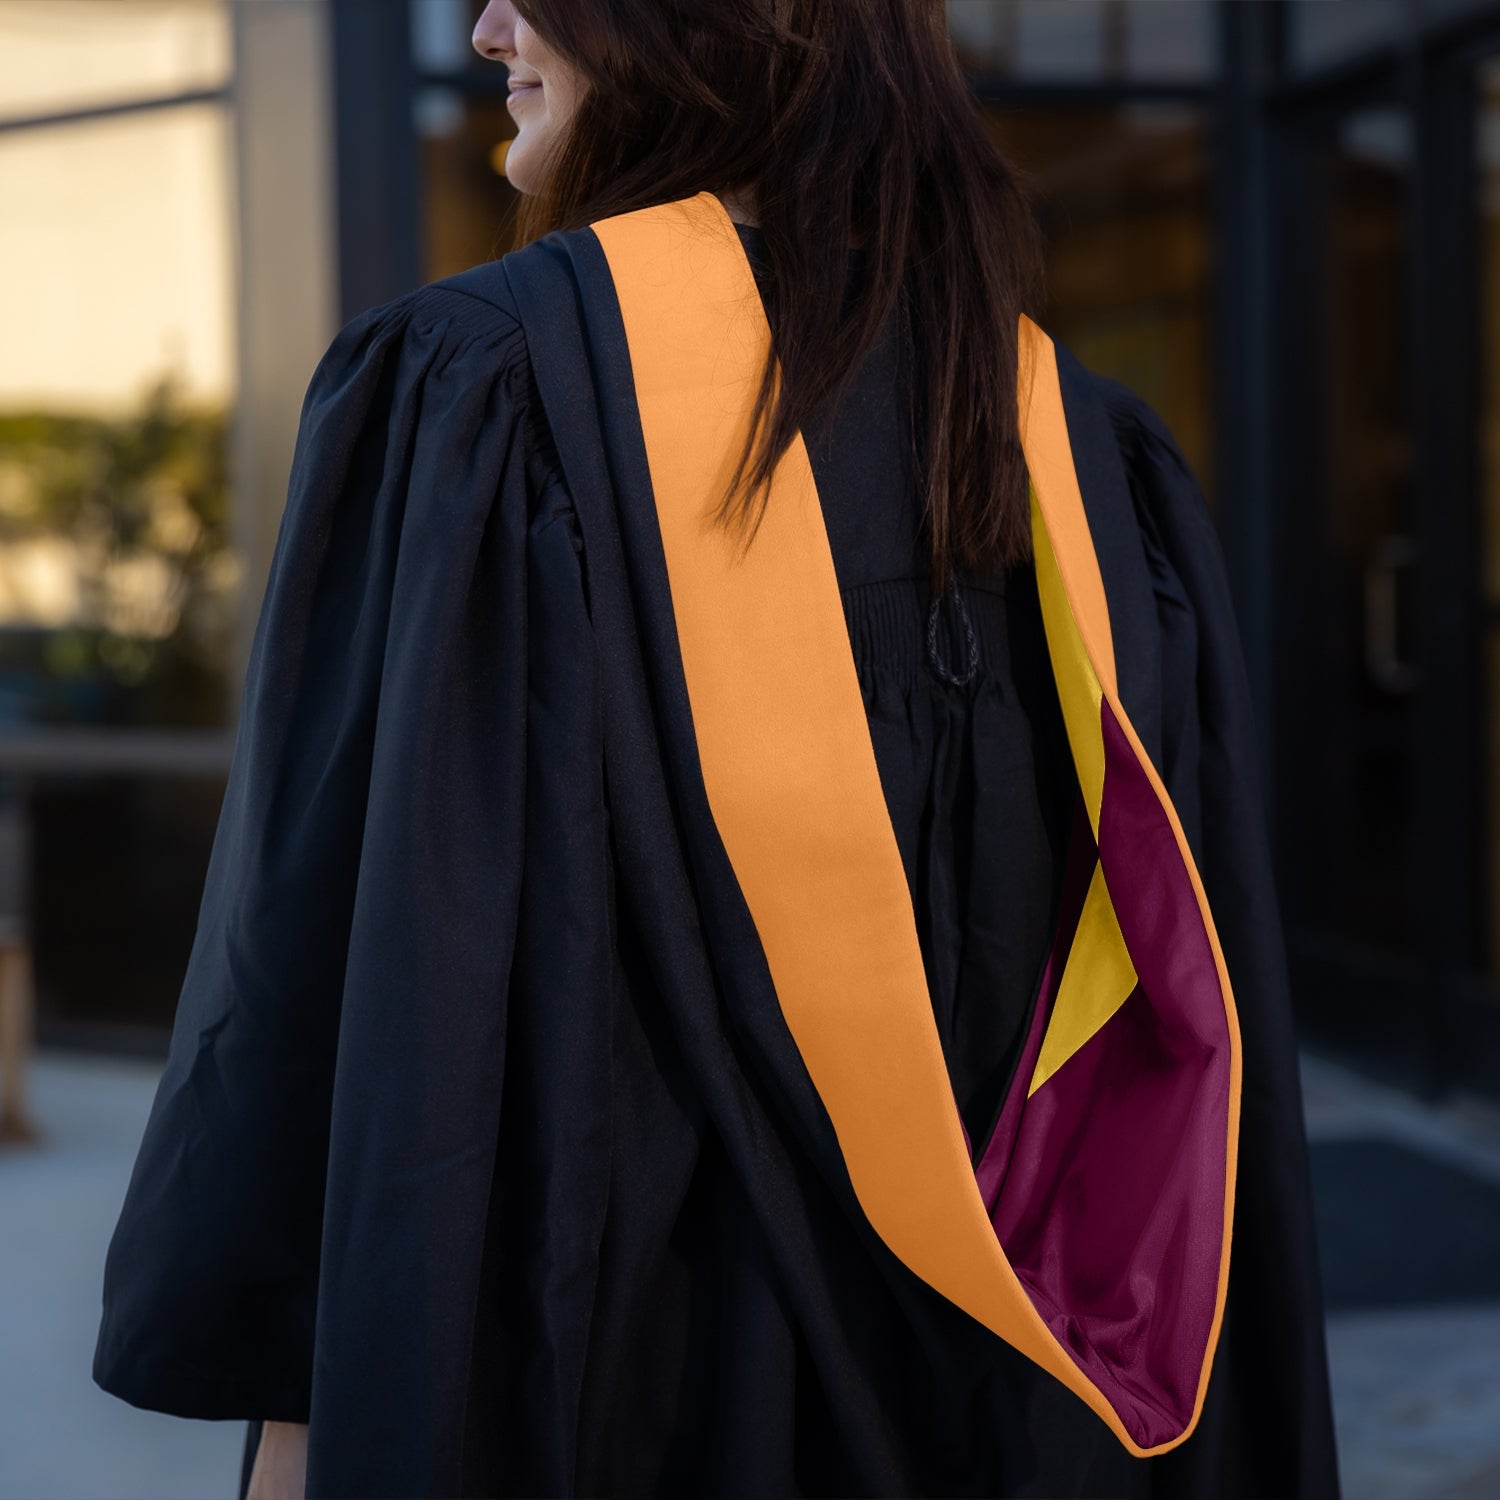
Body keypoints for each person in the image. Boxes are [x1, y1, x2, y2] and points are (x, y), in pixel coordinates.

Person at [92, 3, 1342, 1497]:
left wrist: (295, 1441)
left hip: (620, 1395)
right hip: (1024, 1421)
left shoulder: (483, 396)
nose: (489, 24)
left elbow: (328, 1016)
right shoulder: (1083, 457)